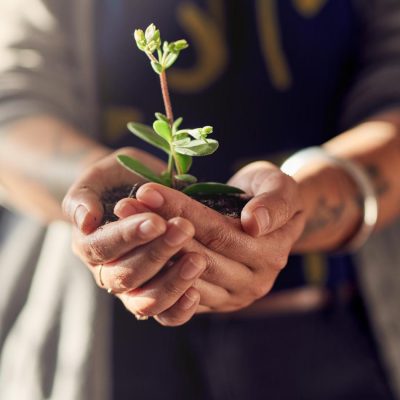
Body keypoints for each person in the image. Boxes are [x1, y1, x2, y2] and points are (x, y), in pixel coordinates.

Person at [1, 0, 400, 399]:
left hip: (337, 333)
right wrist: (96, 201)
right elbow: (13, 101)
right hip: (109, 346)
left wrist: (297, 204)